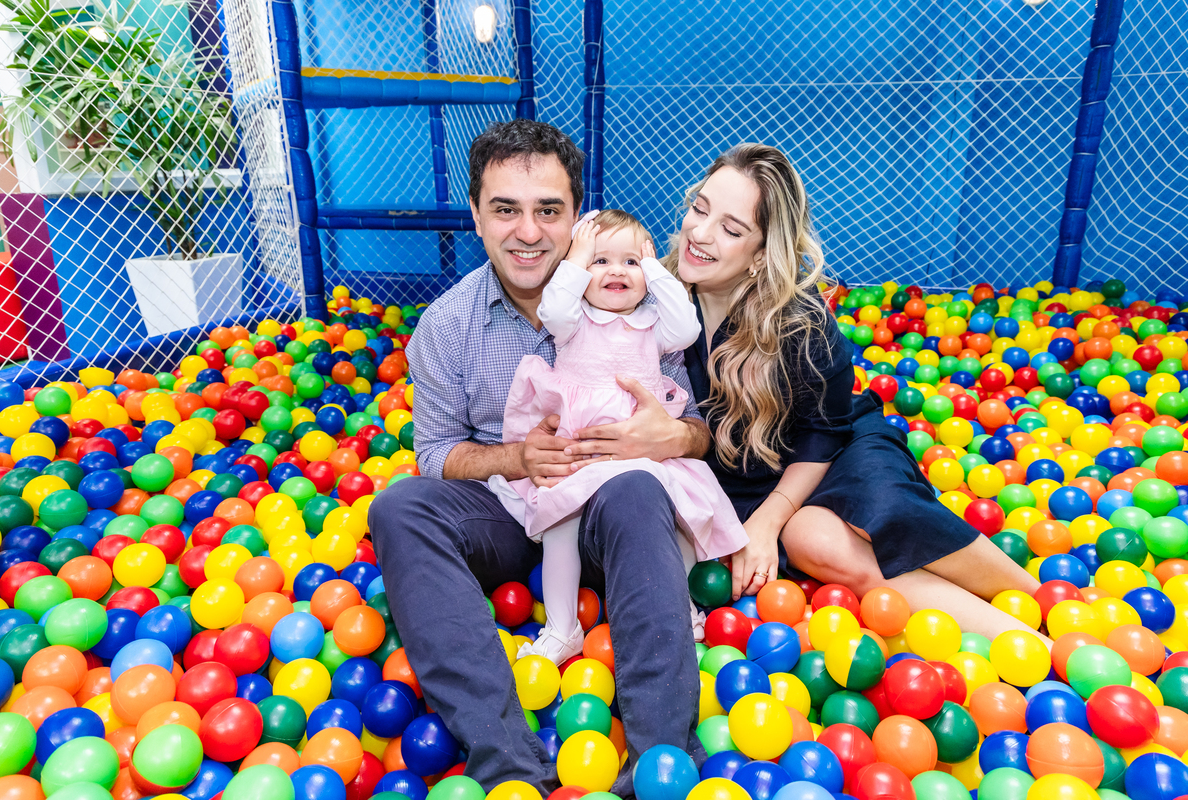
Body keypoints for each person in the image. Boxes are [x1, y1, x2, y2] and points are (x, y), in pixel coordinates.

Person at [567, 143, 1049, 645]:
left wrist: (768, 521)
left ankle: (1039, 600)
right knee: (814, 541)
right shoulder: (647, 294)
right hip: (741, 474)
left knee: (883, 506)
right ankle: (1030, 644)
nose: (700, 233)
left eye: (731, 229)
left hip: (830, 450)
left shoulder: (799, 321)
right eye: (699, 209)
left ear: (761, 254)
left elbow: (824, 431)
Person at [369, 119, 710, 794]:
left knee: (641, 488)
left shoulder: (633, 299)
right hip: (512, 513)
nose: (528, 232)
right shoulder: (446, 325)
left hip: (614, 513)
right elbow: (434, 453)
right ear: (476, 216)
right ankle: (510, 766)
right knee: (399, 508)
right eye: (506, 210)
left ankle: (661, 764)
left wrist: (670, 437)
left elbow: (697, 429)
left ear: (576, 218)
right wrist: (515, 457)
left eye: (548, 211)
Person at [488, 210, 748, 664]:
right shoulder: (573, 321)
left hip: (643, 450)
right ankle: (562, 627)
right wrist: (576, 258)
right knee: (560, 526)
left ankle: (681, 609)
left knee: (678, 520)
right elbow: (553, 308)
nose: (616, 271)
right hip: (582, 450)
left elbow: (687, 327)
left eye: (631, 261)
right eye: (601, 260)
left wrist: (656, 272)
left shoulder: (654, 325)